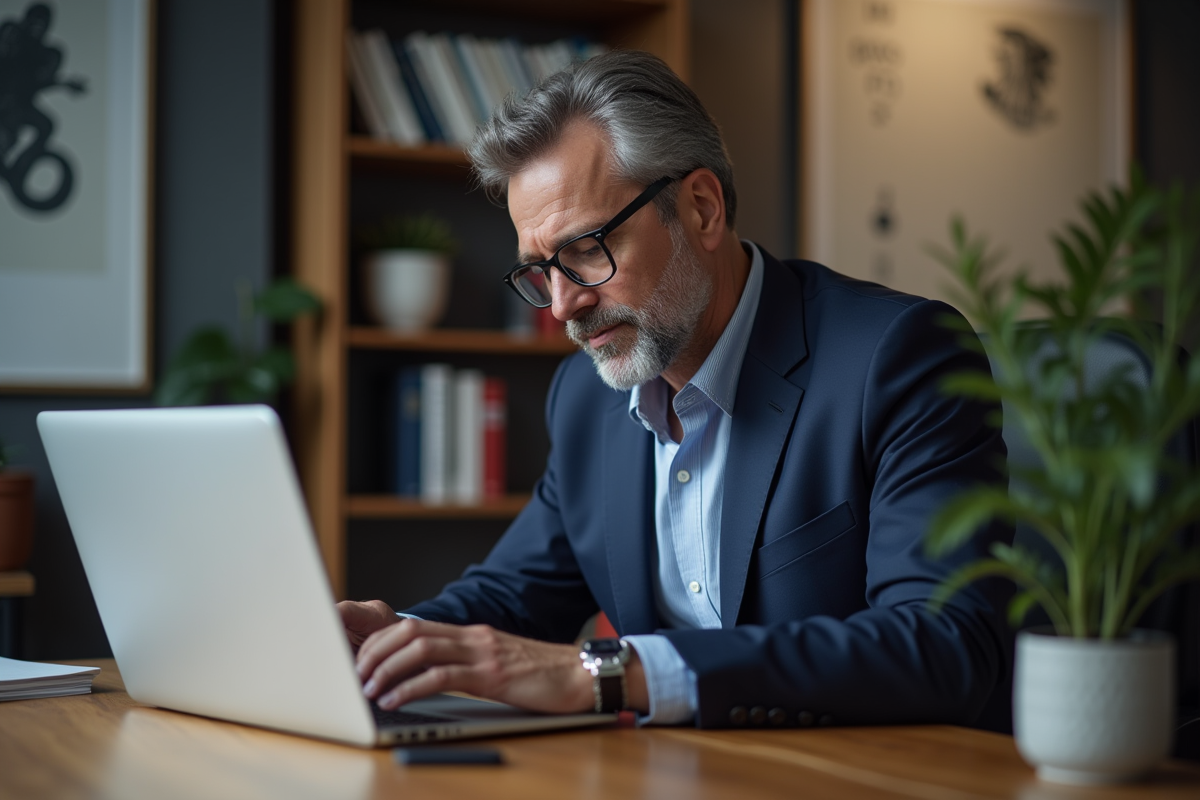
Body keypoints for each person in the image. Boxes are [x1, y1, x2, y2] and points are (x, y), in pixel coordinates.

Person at [339, 50, 1012, 729]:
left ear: (701, 208)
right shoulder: (584, 395)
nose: (564, 306)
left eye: (587, 250)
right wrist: (391, 637)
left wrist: (612, 673)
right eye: (541, 271)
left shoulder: (896, 355)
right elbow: (516, 596)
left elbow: (943, 644)